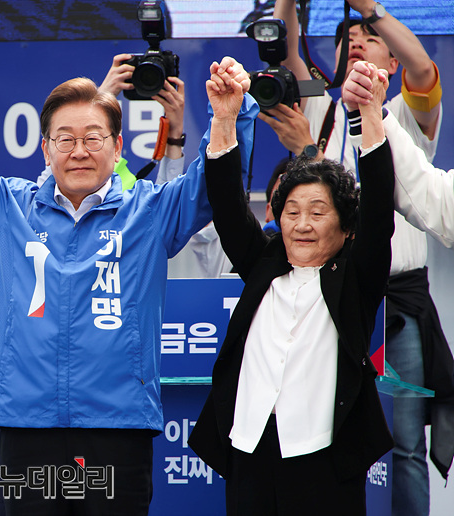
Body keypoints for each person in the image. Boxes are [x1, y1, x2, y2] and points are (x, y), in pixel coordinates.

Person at [0, 19, 256, 515]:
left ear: (117, 146)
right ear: (45, 149)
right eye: (65, 139)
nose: (80, 151)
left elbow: (215, 186)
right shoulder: (8, 207)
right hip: (27, 430)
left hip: (117, 430)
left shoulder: (150, 212)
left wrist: (233, 113)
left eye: (93, 137)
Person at [259, 2, 445, 513]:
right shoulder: (320, 112)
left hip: (397, 301)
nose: (357, 40)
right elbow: (286, 47)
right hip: (330, 296)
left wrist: (371, 8)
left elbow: (423, 67)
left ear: (391, 63)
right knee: (327, 429)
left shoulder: (402, 113)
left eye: (370, 37)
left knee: (404, 439)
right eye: (347, 37)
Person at [189, 59, 395, 515]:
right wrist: (224, 118)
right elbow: (227, 206)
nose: (302, 224)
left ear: (346, 228)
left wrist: (370, 115)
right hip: (249, 448)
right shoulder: (263, 264)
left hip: (325, 456)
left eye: (318, 213)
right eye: (292, 212)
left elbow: (380, 211)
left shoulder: (356, 279)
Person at [342, 59, 454, 482]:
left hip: (405, 297)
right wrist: (373, 114)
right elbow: (435, 201)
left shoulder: (411, 107)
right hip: (369, 297)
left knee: (407, 447)